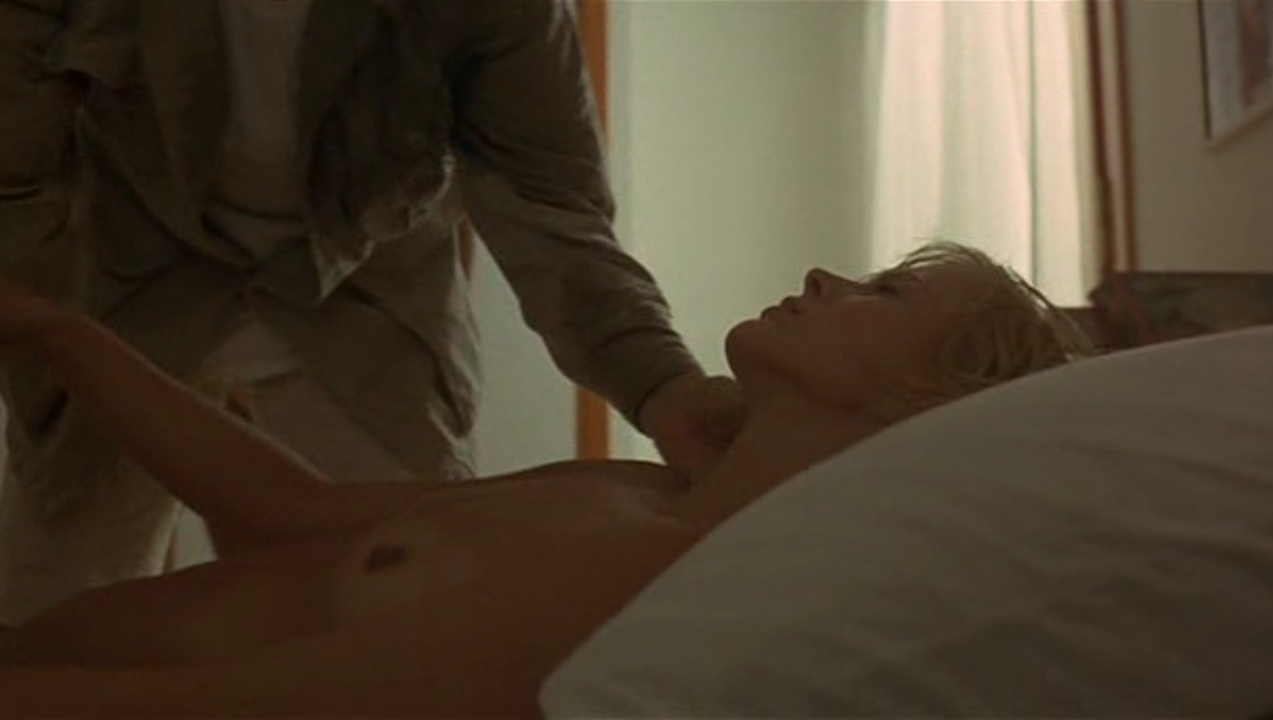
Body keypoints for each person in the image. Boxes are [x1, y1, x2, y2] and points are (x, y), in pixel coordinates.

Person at [0, 242, 1093, 718]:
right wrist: (58, 331)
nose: (825, 274)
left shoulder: (656, 583)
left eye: (886, 292)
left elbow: (219, 715)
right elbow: (289, 511)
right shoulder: (626, 493)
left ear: (925, 403)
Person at [0, 0, 741, 624]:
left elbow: (552, 213)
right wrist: (49, 340)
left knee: (420, 599)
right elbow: (15, 176)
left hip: (369, 311)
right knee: (51, 605)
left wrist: (662, 385)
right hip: (126, 287)